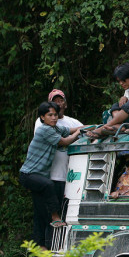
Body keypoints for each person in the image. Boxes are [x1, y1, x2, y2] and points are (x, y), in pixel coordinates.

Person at [20, 101, 82, 246]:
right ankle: (55, 217)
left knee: (41, 213)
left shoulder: (55, 128)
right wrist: (79, 133)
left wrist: (91, 127)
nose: (54, 118)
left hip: (38, 177)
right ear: (42, 117)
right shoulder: (44, 130)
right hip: (29, 175)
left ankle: (41, 249)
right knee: (49, 185)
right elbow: (66, 141)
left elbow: (72, 129)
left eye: (55, 115)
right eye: (50, 115)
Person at [32, 90, 83, 226]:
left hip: (71, 177)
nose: (58, 104)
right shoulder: (42, 124)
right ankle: (46, 246)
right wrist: (77, 133)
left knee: (68, 214)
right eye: (55, 101)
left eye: (61, 100)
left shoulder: (73, 122)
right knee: (48, 215)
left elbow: (83, 130)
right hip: (50, 175)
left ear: (65, 104)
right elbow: (65, 140)